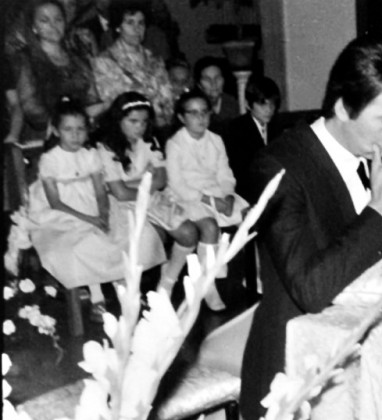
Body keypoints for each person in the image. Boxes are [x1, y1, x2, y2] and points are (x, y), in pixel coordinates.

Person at [239, 34, 382, 420]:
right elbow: (310, 289)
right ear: (342, 107)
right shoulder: (279, 167)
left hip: (375, 368)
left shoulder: (376, 153)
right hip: (296, 384)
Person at [27, 98, 164, 321]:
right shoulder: (50, 160)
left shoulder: (90, 155)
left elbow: (100, 192)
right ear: (56, 131)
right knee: (84, 244)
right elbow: (55, 202)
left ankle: (125, 288)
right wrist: (89, 219)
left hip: (92, 204)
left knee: (124, 234)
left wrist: (103, 214)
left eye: (81, 129)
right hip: (63, 212)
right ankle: (97, 296)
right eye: (68, 129)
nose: (75, 135)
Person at [97, 91, 200, 297]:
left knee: (188, 233)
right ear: (118, 120)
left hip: (150, 198)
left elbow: (161, 180)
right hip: (120, 206)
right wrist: (145, 178)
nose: (140, 127)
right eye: (133, 121)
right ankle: (125, 287)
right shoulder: (106, 148)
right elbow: (120, 194)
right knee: (144, 238)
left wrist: (129, 183)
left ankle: (167, 281)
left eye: (144, 122)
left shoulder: (150, 141)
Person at [165, 89, 249, 311]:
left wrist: (228, 195)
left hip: (216, 192)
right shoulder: (175, 144)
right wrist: (212, 202)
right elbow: (178, 184)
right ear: (181, 117)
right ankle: (207, 284)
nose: (200, 118)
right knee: (210, 226)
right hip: (187, 196)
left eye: (204, 112)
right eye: (193, 113)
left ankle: (253, 277)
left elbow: (225, 173)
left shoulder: (216, 140)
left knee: (251, 216)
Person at [12, 0, 104, 143]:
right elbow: (31, 107)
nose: (53, 25)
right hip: (45, 137)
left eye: (58, 19)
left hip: (81, 133)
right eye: (44, 20)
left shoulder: (78, 58)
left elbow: (92, 98)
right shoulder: (25, 59)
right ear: (34, 27)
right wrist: (64, 124)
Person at [92, 0, 174, 130]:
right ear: (118, 26)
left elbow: (168, 101)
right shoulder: (104, 62)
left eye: (141, 23)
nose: (137, 29)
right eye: (130, 22)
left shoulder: (155, 60)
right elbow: (116, 105)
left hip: (159, 128)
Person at [222, 74, 281, 195]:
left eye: (272, 104)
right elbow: (240, 172)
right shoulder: (236, 129)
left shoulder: (276, 125)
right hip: (247, 190)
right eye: (262, 104)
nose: (269, 109)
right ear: (248, 104)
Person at [193, 56, 239, 135]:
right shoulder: (194, 107)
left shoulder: (234, 104)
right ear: (199, 84)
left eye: (217, 78)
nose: (213, 83)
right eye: (207, 79)